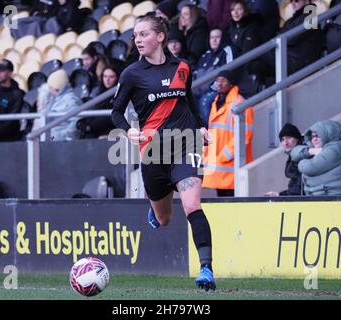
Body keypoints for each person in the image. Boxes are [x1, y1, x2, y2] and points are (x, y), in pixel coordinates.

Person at [111, 12, 216, 291]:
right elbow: (116, 112)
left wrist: (202, 127)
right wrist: (128, 130)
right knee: (164, 219)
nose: (137, 39)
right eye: (135, 35)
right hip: (154, 152)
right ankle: (155, 210)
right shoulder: (132, 74)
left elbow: (190, 102)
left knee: (192, 205)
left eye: (143, 34)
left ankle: (206, 268)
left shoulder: (182, 67)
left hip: (186, 144)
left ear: (160, 37)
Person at [202, 70, 254, 197]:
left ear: (231, 84)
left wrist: (224, 155)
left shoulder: (240, 104)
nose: (219, 83)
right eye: (217, 80)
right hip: (219, 164)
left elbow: (245, 135)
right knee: (221, 197)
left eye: (223, 80)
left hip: (231, 164)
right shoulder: (216, 102)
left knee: (232, 199)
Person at [291, 120, 341, 196]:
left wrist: (301, 162)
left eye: (317, 136)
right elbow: (294, 153)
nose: (314, 139)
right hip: (332, 196)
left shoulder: (336, 148)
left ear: (327, 135)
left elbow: (309, 168)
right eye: (312, 137)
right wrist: (311, 151)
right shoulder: (320, 148)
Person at [193, 28, 231, 126]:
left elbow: (228, 73)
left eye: (217, 37)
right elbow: (196, 75)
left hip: (216, 91)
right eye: (212, 37)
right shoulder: (205, 56)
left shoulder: (226, 52)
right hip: (200, 92)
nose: (214, 40)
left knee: (204, 101)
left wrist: (211, 88)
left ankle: (209, 132)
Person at [77, 66, 119, 139]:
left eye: (111, 77)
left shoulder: (120, 95)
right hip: (97, 128)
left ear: (117, 78)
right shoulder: (100, 93)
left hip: (111, 130)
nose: (107, 80)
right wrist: (82, 122)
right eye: (105, 76)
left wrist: (90, 126)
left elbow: (111, 118)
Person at [265, 123, 303, 197]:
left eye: (288, 137)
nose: (285, 143)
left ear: (297, 138)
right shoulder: (294, 155)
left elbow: (299, 189)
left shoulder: (303, 157)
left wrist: (280, 195)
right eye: (282, 139)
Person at [46, 69, 82, 141]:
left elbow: (76, 122)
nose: (49, 90)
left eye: (51, 87)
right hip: (54, 139)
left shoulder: (70, 100)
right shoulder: (56, 99)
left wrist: (67, 137)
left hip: (63, 143)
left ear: (57, 87)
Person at [178, 4, 209, 69]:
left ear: (193, 16)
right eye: (181, 14)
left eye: (186, 14)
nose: (182, 17)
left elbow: (196, 54)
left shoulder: (200, 32)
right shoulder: (183, 33)